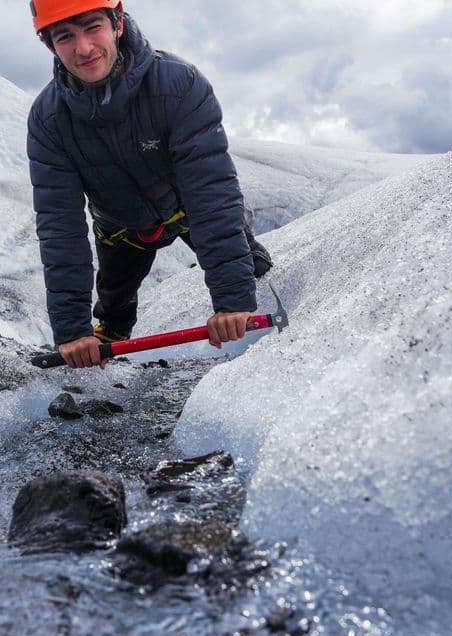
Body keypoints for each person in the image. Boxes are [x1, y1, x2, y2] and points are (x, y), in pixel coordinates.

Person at [27, 0, 272, 368]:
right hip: (121, 228)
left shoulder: (178, 85)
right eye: (65, 36)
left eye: (93, 27)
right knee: (112, 315)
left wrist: (232, 301)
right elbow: (60, 226)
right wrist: (72, 331)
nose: (83, 48)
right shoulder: (48, 119)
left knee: (252, 268)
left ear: (118, 22)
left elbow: (210, 194)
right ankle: (110, 336)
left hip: (187, 208)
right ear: (50, 45)